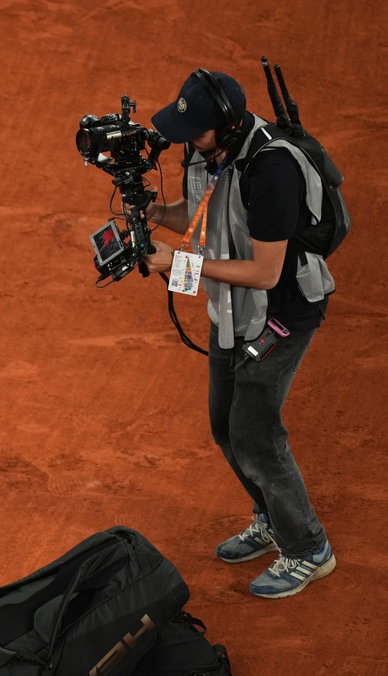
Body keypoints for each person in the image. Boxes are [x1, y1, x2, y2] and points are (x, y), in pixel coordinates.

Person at [140, 69, 337, 599]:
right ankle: (271, 518)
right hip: (232, 308)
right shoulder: (208, 151)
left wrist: (179, 262)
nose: (187, 141)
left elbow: (266, 273)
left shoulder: (271, 169)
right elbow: (205, 214)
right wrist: (157, 213)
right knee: (225, 427)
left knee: (255, 432)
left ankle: (308, 548)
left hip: (281, 312)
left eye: (197, 132)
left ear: (225, 128)